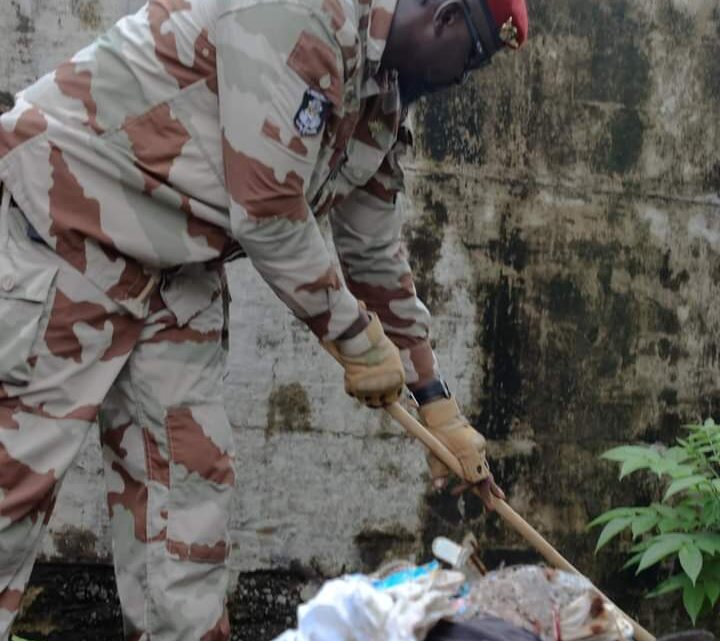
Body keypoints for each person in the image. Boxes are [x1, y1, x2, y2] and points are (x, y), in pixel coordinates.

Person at [0, 0, 528, 637]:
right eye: (471, 59)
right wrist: (356, 342)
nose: (460, 80)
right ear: (444, 16)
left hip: (177, 264)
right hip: (69, 216)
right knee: (14, 480)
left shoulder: (383, 94)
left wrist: (435, 400)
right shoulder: (300, 13)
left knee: (187, 487)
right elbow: (269, 211)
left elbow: (372, 252)